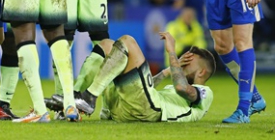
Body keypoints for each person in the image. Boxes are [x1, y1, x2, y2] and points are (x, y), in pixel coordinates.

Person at [50, 32, 216, 122]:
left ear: (201, 72)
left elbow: (181, 87)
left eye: (190, 62)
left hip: (149, 112)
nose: (183, 64)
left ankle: (88, 98)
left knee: (128, 41)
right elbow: (148, 87)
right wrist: (168, 71)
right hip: (130, 108)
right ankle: (71, 103)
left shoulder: (204, 92)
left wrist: (171, 51)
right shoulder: (172, 89)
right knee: (107, 45)